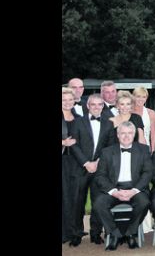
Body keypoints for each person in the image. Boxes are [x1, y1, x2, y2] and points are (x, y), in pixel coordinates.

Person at [92, 121, 152, 251]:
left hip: (135, 188)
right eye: (123, 133)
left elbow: (148, 173)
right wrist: (114, 192)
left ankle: (130, 233)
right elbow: (100, 176)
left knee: (144, 202)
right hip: (114, 188)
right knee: (99, 204)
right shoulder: (107, 151)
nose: (126, 136)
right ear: (118, 135)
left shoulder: (143, 150)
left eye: (130, 133)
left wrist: (134, 191)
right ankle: (115, 234)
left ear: (134, 135)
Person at [70, 94, 116, 245]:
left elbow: (110, 147)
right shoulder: (77, 122)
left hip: (99, 169)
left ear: (103, 106)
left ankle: (96, 233)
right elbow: (74, 145)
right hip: (80, 168)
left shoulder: (108, 124)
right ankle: (76, 233)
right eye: (93, 104)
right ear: (88, 106)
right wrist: (86, 163)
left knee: (98, 202)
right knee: (78, 202)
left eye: (99, 104)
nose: (96, 107)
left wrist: (97, 162)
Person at [61, 88, 80, 245]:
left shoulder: (79, 118)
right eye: (64, 100)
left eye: (70, 99)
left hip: (76, 163)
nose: (67, 102)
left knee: (74, 197)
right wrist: (63, 142)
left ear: (74, 100)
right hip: (62, 161)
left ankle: (73, 231)